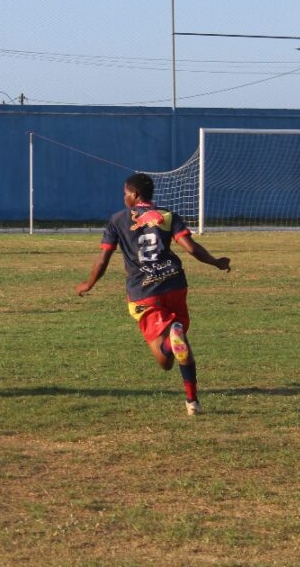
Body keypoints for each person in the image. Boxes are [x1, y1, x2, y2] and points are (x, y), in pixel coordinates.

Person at [75, 173, 231, 416]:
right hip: (175, 284)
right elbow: (190, 248)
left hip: (144, 293)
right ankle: (192, 402)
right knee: (181, 347)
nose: (124, 197)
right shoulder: (168, 216)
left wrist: (88, 283)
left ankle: (170, 343)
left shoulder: (117, 220)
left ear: (135, 194)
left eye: (125, 193)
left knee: (164, 359)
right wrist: (216, 262)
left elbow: (104, 258)